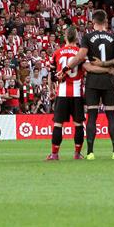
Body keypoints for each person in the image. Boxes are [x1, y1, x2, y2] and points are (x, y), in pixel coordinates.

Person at [61, 9, 114, 159]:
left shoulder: (88, 37)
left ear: (93, 22)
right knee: (111, 115)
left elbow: (81, 57)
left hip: (92, 81)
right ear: (105, 22)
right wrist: (107, 66)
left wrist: (66, 68)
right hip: (109, 81)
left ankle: (90, 152)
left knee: (92, 116)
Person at [47, 25, 87, 161]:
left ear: (65, 37)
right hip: (77, 94)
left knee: (58, 124)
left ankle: (54, 154)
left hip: (62, 93)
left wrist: (51, 90)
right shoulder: (80, 52)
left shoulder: (58, 53)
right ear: (76, 37)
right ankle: (77, 154)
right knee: (78, 125)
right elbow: (85, 71)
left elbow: (51, 74)